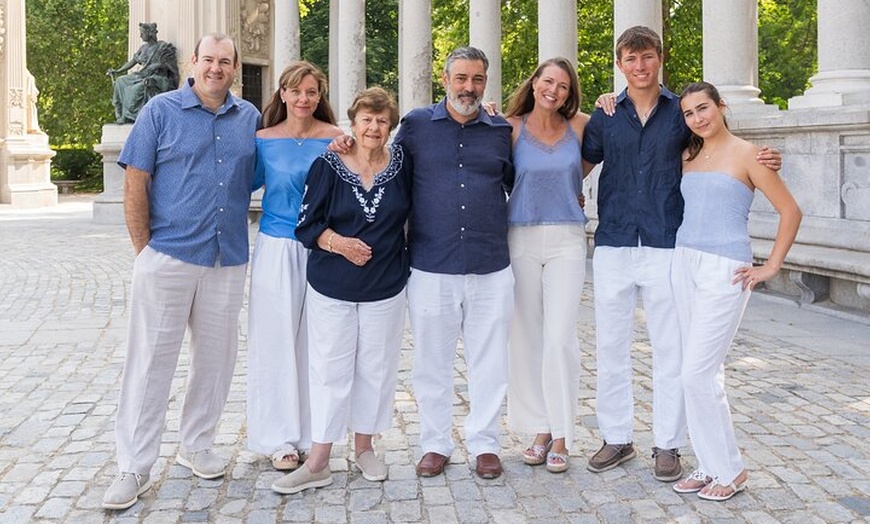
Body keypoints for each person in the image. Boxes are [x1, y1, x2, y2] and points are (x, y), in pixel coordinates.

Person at [581, 26, 782, 482]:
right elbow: (579, 164)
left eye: (647, 56)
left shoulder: (682, 113)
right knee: (610, 345)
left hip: (667, 244)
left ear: (659, 58)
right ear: (619, 64)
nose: (639, 66)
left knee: (670, 348)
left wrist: (766, 158)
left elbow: (723, 149)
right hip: (612, 241)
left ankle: (667, 444)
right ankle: (616, 436)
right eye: (630, 59)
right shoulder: (606, 114)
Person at [102, 33, 259, 510]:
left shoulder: (248, 118)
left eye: (224, 61)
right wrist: (143, 250)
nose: (216, 68)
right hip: (168, 254)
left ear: (234, 68)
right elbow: (136, 179)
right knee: (150, 362)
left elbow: (283, 158)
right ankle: (133, 465)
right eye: (208, 59)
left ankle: (198, 444)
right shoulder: (159, 111)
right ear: (194, 62)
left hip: (226, 257)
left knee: (215, 362)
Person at [271, 87, 411, 494]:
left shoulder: (403, 164)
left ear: (390, 127)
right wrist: (342, 245)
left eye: (382, 121)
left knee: (376, 369)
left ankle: (365, 447)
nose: (373, 127)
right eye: (366, 119)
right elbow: (307, 227)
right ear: (354, 122)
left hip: (386, 285)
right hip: (332, 285)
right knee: (330, 370)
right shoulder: (328, 165)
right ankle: (318, 461)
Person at [670, 81, 801, 501]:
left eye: (703, 108)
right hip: (683, 261)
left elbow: (790, 210)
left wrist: (772, 266)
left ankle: (731, 470)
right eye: (689, 113)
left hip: (726, 268)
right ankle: (711, 465)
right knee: (703, 374)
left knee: (696, 373)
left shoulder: (750, 154)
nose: (697, 118)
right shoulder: (688, 154)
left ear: (721, 106)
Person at [401, 47, 514, 480]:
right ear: (444, 79)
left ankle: (485, 443)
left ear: (486, 81)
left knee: (490, 361)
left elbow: (514, 182)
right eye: (461, 78)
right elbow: (389, 174)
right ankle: (435, 443)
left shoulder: (501, 130)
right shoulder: (414, 126)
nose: (469, 87)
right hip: (431, 262)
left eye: (478, 79)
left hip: (490, 264)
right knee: (432, 362)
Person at [246, 61, 342, 473]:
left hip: (323, 248)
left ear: (320, 97)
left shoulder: (338, 139)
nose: (304, 99)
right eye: (296, 91)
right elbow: (235, 186)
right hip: (278, 247)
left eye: (312, 92)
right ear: (282, 94)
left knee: (319, 345)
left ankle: (313, 433)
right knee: (275, 341)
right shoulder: (262, 141)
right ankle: (277, 437)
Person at [502, 57, 589, 473]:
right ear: (534, 82)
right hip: (520, 236)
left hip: (568, 240)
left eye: (564, 86)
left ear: (570, 94)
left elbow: (592, 158)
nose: (554, 90)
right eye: (548, 82)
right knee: (528, 337)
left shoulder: (582, 126)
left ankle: (562, 435)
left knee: (559, 338)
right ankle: (539, 428)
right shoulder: (510, 127)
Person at [108, 22, 180, 124]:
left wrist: (158, 65)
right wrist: (118, 71)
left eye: (142, 33)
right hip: (143, 75)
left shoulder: (162, 47)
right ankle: (119, 113)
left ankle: (128, 116)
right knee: (120, 81)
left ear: (150, 33)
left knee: (135, 90)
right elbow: (132, 62)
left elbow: (171, 66)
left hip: (158, 78)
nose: (140, 36)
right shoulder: (143, 48)